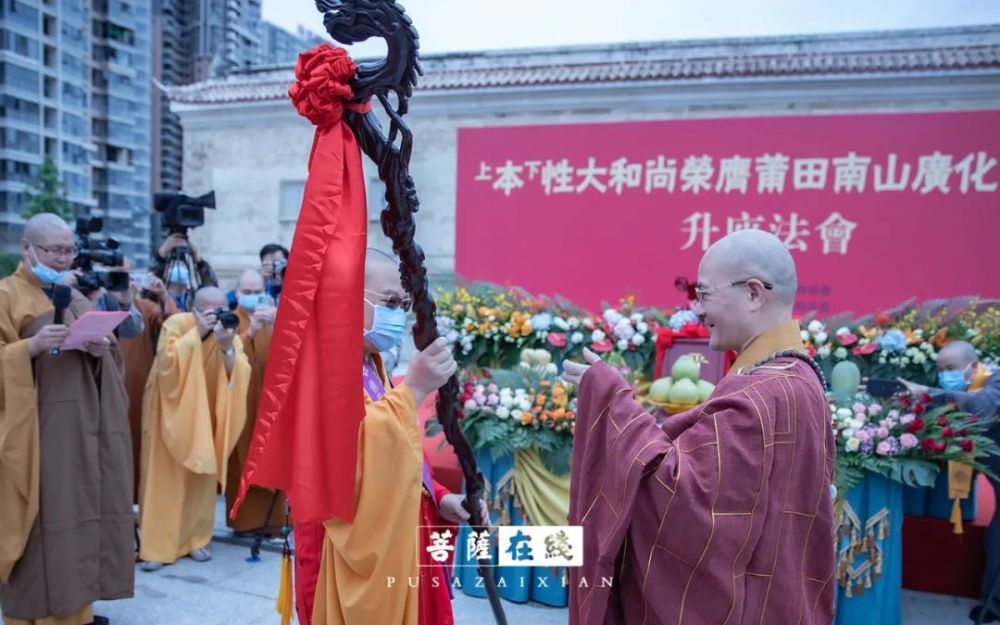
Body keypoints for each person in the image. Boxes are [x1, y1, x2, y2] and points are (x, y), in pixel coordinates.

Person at [562, 229, 835, 625]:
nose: (697, 311)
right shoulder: (796, 376)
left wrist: (612, 403)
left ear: (755, 293)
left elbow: (683, 502)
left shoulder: (761, 396)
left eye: (703, 294)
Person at [288, 249, 481, 625]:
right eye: (390, 301)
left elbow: (397, 444)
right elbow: (353, 454)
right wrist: (413, 392)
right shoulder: (316, 364)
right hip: (344, 551)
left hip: (395, 535)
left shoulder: (366, 359)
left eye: (404, 303)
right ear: (342, 296)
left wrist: (439, 498)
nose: (399, 313)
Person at [0, 213, 134, 625]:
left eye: (67, 250)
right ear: (27, 249)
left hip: (82, 435)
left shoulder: (72, 296)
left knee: (80, 520)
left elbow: (111, 358)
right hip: (36, 437)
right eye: (53, 250)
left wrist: (100, 352)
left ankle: (78, 612)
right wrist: (31, 347)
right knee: (42, 525)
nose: (62, 260)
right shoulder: (7, 295)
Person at [138, 286, 250, 572]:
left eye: (220, 308)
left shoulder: (228, 328)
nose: (214, 315)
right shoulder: (178, 323)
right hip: (170, 413)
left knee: (201, 478)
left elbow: (240, 368)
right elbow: (167, 363)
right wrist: (198, 332)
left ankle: (196, 540)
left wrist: (225, 346)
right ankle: (157, 547)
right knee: (164, 482)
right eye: (207, 309)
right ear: (195, 307)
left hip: (207, 414)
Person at [900, 341, 1000, 623]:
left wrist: (930, 394)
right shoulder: (963, 385)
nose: (945, 375)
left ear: (973, 365)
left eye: (951, 368)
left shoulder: (995, 381)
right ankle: (993, 605)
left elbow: (983, 408)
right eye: (940, 369)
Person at [224, 270, 284, 535]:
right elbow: (227, 356)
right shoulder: (231, 320)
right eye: (246, 292)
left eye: (257, 291)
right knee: (243, 456)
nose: (252, 296)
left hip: (270, 402)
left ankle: (274, 519)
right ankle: (245, 520)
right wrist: (250, 332)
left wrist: (278, 322)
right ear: (236, 293)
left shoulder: (271, 317)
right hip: (242, 402)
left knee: (273, 455)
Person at [119, 272, 179, 503]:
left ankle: (135, 501)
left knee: (135, 441)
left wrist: (163, 295)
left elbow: (172, 326)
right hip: (97, 384)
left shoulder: (143, 306)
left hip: (135, 385)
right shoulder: (93, 301)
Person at [151, 232, 217, 289]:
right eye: (174, 265)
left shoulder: (192, 298)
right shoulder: (159, 298)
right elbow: (148, 285)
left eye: (182, 265)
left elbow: (212, 292)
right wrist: (161, 254)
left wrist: (200, 263)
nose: (179, 268)